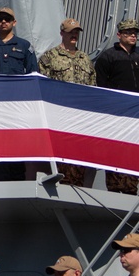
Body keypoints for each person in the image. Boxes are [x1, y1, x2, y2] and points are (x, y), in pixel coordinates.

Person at [0, 7, 36, 180]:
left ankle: (19, 180)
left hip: (17, 106)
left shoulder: (24, 46)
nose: (3, 22)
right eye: (0, 19)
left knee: (18, 143)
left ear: (14, 22)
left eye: (7, 19)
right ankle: (1, 180)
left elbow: (33, 75)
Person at [38, 19, 96, 185]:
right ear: (62, 33)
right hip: (59, 116)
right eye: (71, 31)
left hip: (81, 117)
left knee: (80, 156)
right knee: (62, 156)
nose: (74, 35)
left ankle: (77, 188)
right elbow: (42, 86)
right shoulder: (49, 57)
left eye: (76, 32)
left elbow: (93, 87)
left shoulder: (85, 58)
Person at [96, 20, 139, 193]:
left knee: (133, 149)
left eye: (135, 33)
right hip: (115, 113)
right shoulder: (108, 56)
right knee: (115, 149)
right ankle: (114, 187)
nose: (133, 36)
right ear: (119, 35)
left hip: (136, 114)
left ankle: (131, 186)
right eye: (128, 33)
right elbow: (101, 84)